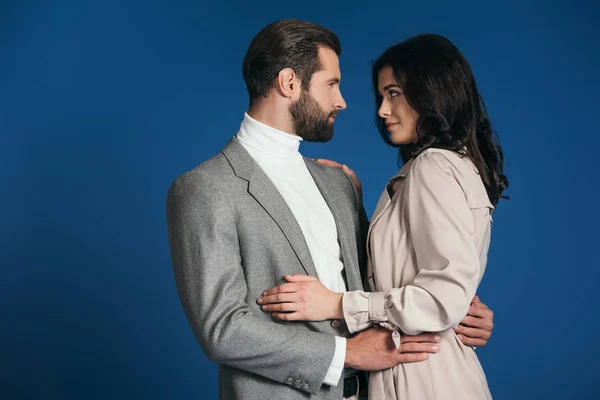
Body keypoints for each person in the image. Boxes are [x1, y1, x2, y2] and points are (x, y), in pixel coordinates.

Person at [167, 20, 494, 400]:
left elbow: (386, 279)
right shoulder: (205, 189)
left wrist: (458, 311)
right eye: (332, 84)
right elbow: (222, 329)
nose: (342, 101)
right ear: (290, 83)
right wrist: (345, 353)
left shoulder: (337, 184)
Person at [258, 33, 507, 399]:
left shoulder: (434, 166)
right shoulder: (457, 166)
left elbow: (443, 298)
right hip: (431, 373)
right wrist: (356, 208)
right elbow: (440, 284)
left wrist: (337, 304)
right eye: (381, 96)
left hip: (424, 380)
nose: (381, 111)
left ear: (432, 91)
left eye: (394, 93)